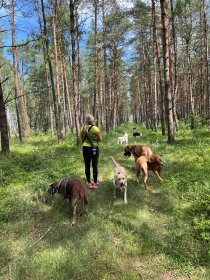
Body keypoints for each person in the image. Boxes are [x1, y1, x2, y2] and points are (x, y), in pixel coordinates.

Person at [80, 114, 102, 189]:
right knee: (94, 165)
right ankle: (95, 182)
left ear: (86, 121)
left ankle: (89, 182)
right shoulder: (96, 128)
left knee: (87, 166)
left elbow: (82, 138)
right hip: (94, 148)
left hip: (85, 148)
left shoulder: (83, 128)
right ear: (93, 120)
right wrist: (94, 140)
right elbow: (100, 139)